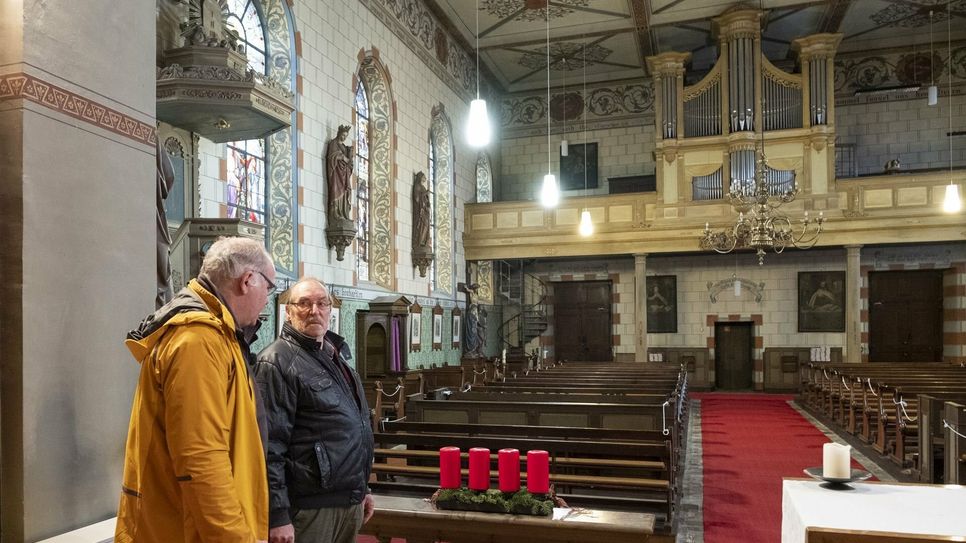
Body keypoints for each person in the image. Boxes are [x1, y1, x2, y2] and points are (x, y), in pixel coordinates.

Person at [115, 236, 275, 543]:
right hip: (185, 529)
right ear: (248, 280)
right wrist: (235, 538)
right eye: (269, 287)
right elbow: (201, 458)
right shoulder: (197, 341)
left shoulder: (219, 335)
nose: (268, 298)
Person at [255, 278, 375, 543]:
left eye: (322, 304)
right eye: (304, 303)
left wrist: (362, 488)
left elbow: (353, 429)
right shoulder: (276, 361)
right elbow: (268, 446)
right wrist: (277, 515)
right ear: (288, 311)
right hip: (309, 507)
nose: (314, 310)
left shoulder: (335, 356)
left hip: (347, 500)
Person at [326, 125, 354, 222]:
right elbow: (331, 157)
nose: (344, 137)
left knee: (345, 193)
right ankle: (335, 214)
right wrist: (342, 157)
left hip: (344, 175)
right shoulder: (333, 143)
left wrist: (350, 155)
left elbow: (349, 163)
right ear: (339, 133)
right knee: (335, 191)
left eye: (346, 136)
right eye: (343, 135)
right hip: (336, 174)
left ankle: (344, 213)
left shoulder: (345, 148)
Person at [412, 171, 431, 248]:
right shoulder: (417, 186)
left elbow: (426, 200)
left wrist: (428, 205)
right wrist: (425, 194)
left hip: (425, 210)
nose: (425, 179)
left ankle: (423, 241)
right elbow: (416, 199)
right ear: (420, 177)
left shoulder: (423, 187)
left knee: (426, 225)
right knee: (423, 225)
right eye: (423, 177)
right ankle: (419, 242)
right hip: (420, 210)